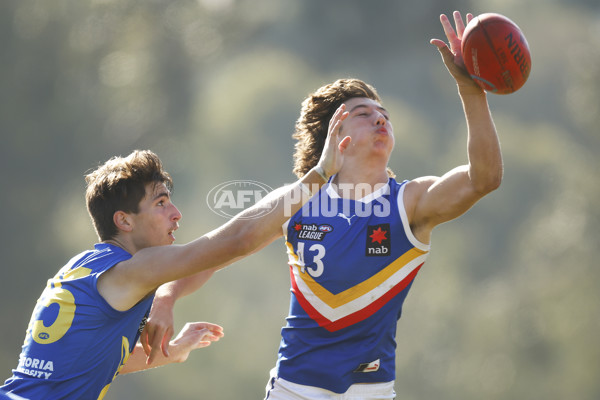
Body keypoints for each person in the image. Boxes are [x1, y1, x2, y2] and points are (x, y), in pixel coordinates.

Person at [145, 11, 503, 399]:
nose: (380, 120)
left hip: (373, 392)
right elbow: (221, 248)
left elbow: (484, 178)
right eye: (363, 115)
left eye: (384, 115)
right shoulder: (297, 200)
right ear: (334, 134)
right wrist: (165, 296)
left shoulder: (410, 202)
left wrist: (471, 92)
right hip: (293, 390)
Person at [1, 110, 350, 399]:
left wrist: (176, 349)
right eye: (161, 202)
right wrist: (319, 174)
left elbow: (105, 359)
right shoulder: (133, 269)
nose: (176, 213)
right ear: (123, 220)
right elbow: (235, 241)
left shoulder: (84, 267)